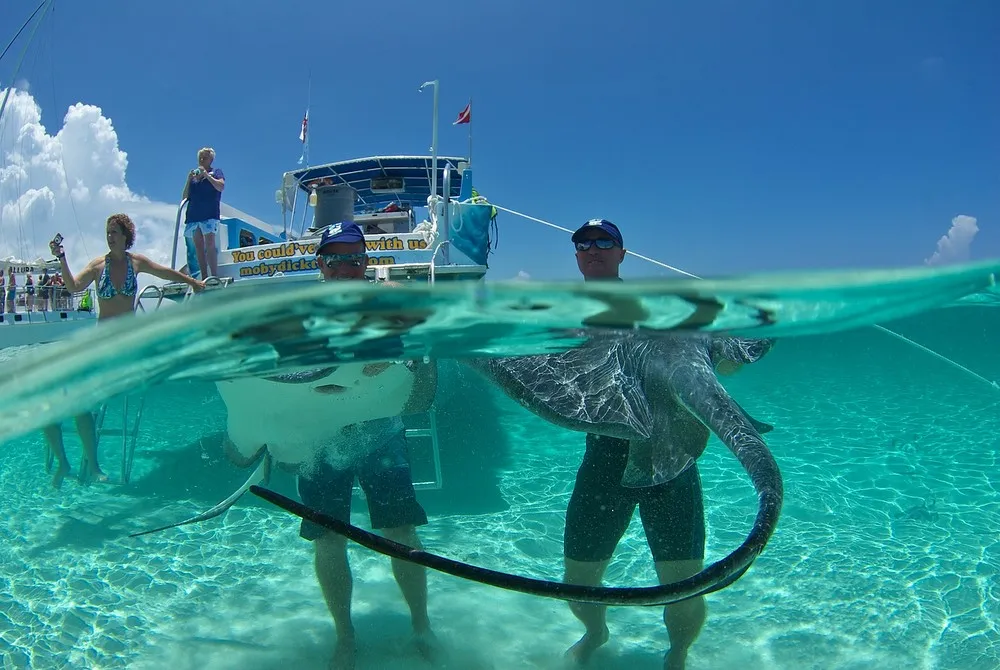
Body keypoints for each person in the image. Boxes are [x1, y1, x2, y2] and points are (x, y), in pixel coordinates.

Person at [562, 218, 770, 670]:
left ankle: (677, 653)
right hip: (604, 460)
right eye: (583, 243)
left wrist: (747, 332)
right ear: (576, 255)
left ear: (622, 253)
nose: (593, 248)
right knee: (577, 578)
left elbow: (723, 363)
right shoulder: (558, 315)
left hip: (672, 457)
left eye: (604, 242)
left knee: (683, 582)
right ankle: (594, 632)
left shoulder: (661, 308)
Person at [45, 213, 205, 487]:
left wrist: (192, 282)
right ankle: (67, 463)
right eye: (108, 232)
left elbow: (164, 272)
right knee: (52, 405)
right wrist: (61, 257)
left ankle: (92, 466)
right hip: (99, 348)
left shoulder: (136, 262)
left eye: (115, 232)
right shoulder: (98, 266)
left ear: (126, 236)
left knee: (80, 402)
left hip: (124, 350)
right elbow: (72, 286)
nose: (110, 237)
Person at [181, 146, 225, 280]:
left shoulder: (216, 172)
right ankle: (204, 276)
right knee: (198, 247)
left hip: (209, 214)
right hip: (194, 215)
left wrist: (206, 175)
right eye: (200, 157)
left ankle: (214, 275)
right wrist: (188, 180)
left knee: (210, 244)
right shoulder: (194, 178)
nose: (201, 159)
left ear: (211, 159)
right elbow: (184, 196)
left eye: (205, 157)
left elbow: (221, 186)